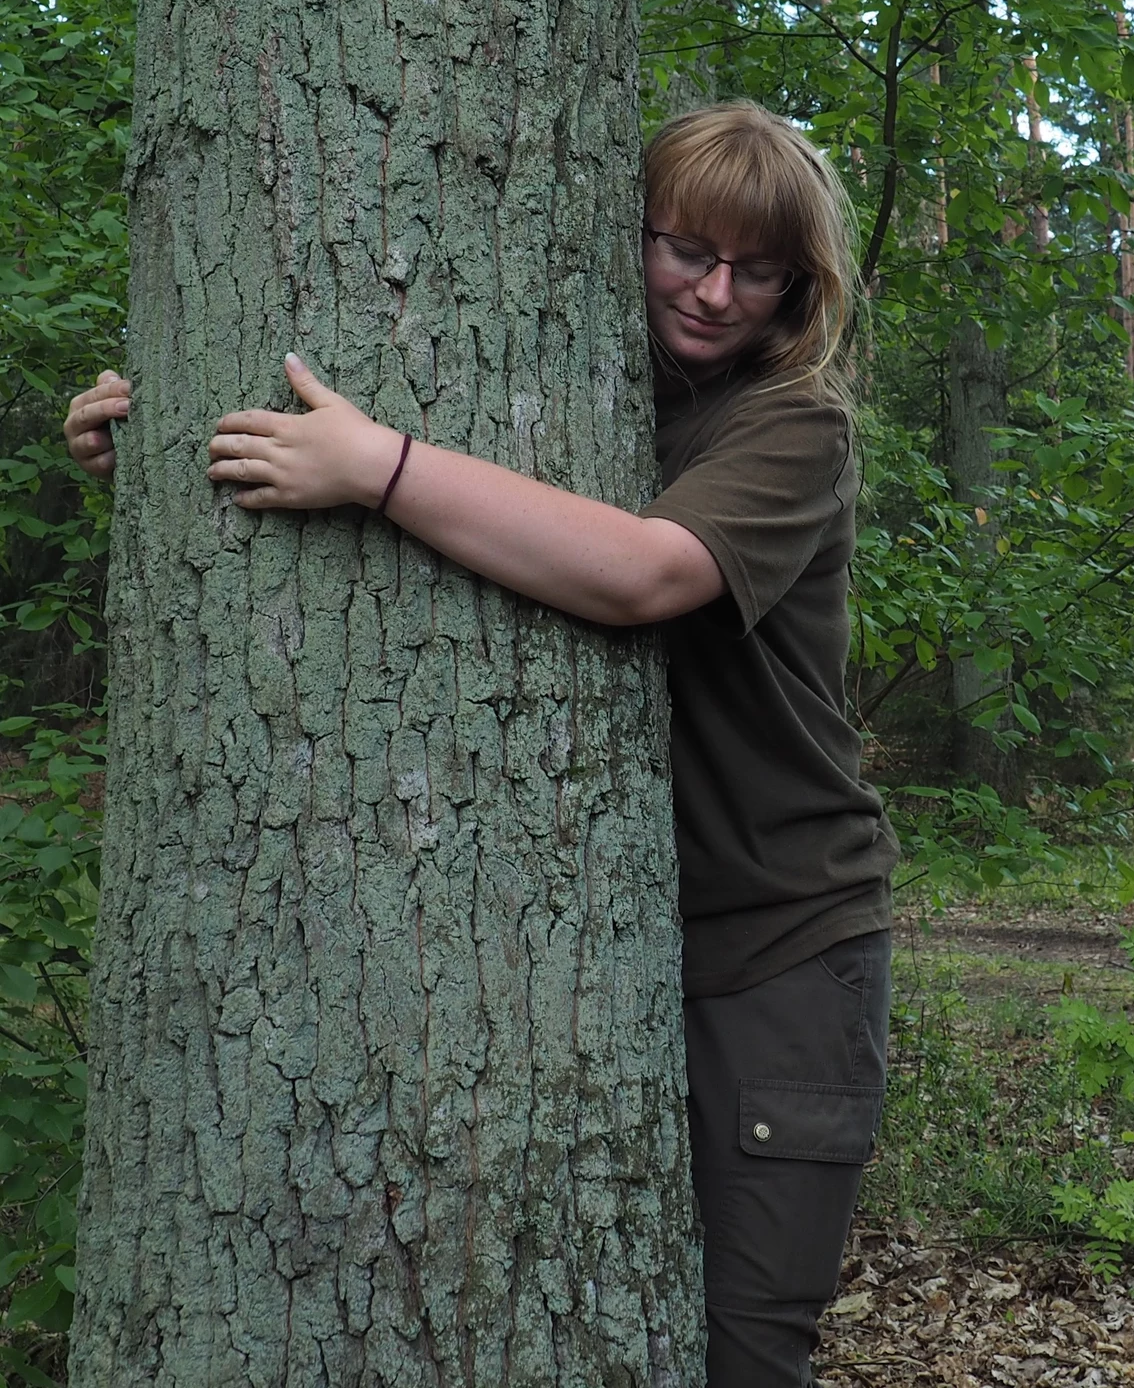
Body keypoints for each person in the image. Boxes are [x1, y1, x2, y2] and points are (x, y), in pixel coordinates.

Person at [64, 98, 899, 1388]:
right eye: (684, 247)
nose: (717, 291)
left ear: (802, 286)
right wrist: (161, 442)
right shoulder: (584, 387)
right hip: (607, 937)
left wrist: (376, 466)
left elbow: (641, 574)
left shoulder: (789, 427)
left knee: (739, 1353)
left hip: (779, 942)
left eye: (759, 268)